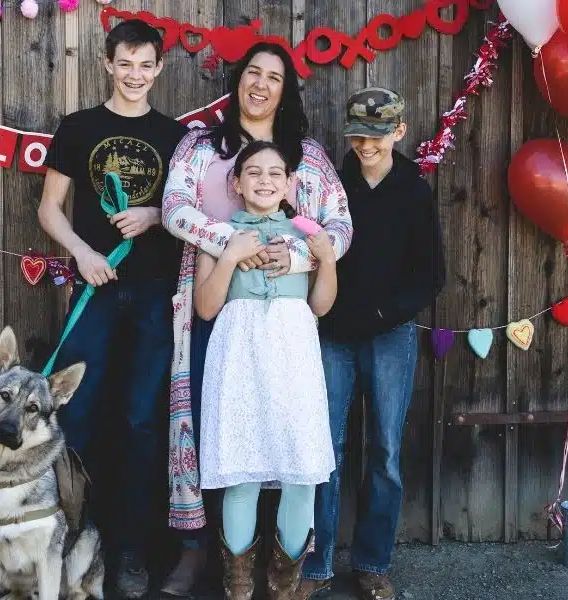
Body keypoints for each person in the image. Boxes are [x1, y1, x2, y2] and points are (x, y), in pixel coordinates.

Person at [159, 42, 353, 597]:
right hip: (217, 303)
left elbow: (338, 227)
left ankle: (288, 575)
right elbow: (175, 208)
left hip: (288, 310)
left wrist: (297, 256)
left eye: (274, 76)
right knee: (219, 439)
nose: (261, 84)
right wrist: (234, 245)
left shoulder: (307, 157)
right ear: (237, 81)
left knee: (293, 451)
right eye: (252, 73)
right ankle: (201, 558)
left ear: (286, 89)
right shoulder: (202, 146)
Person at [36, 18, 188, 599]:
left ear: (158, 68)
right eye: (124, 63)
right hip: (95, 291)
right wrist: (81, 252)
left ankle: (132, 551)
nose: (134, 74)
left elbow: (184, 210)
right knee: (79, 415)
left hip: (153, 294)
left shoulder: (176, 137)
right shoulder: (79, 128)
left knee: (142, 421)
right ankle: (74, 543)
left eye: (145, 64)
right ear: (107, 64)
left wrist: (154, 216)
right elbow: (51, 207)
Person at [298, 87, 446, 600]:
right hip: (332, 333)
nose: (366, 145)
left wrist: (386, 313)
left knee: (383, 449)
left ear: (399, 132)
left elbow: (430, 276)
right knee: (325, 450)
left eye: (377, 136)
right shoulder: (329, 182)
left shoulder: (413, 189)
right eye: (358, 134)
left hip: (390, 335)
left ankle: (372, 561)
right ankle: (315, 565)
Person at [194, 140, 337, 600]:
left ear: (291, 183)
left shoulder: (305, 237)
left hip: (293, 353)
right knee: (242, 471)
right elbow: (206, 307)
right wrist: (231, 255)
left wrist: (326, 259)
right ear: (235, 184)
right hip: (238, 353)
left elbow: (320, 304)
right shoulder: (217, 234)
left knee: (301, 472)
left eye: (276, 173)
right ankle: (238, 588)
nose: (265, 181)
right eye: (253, 172)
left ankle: (284, 586)